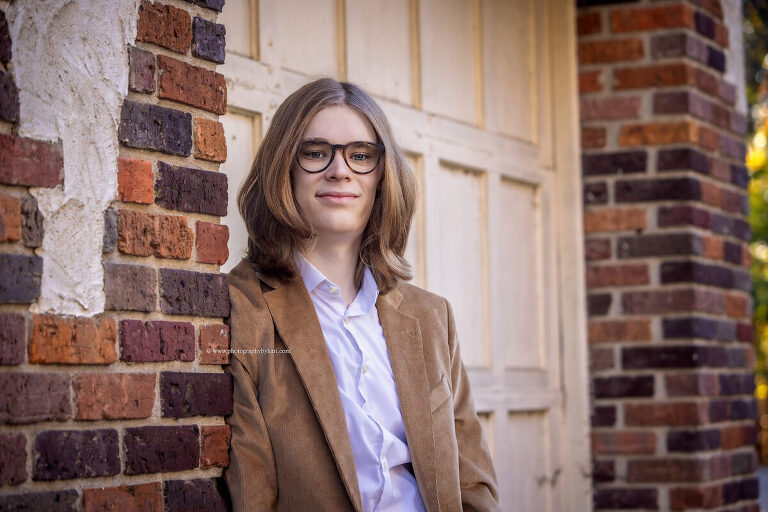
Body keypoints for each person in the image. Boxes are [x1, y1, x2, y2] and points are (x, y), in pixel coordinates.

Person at [223, 77, 500, 512]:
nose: (340, 170)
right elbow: (252, 494)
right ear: (284, 168)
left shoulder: (432, 317)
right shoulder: (243, 310)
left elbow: (473, 484)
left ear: (381, 176)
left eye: (361, 155)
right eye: (316, 153)